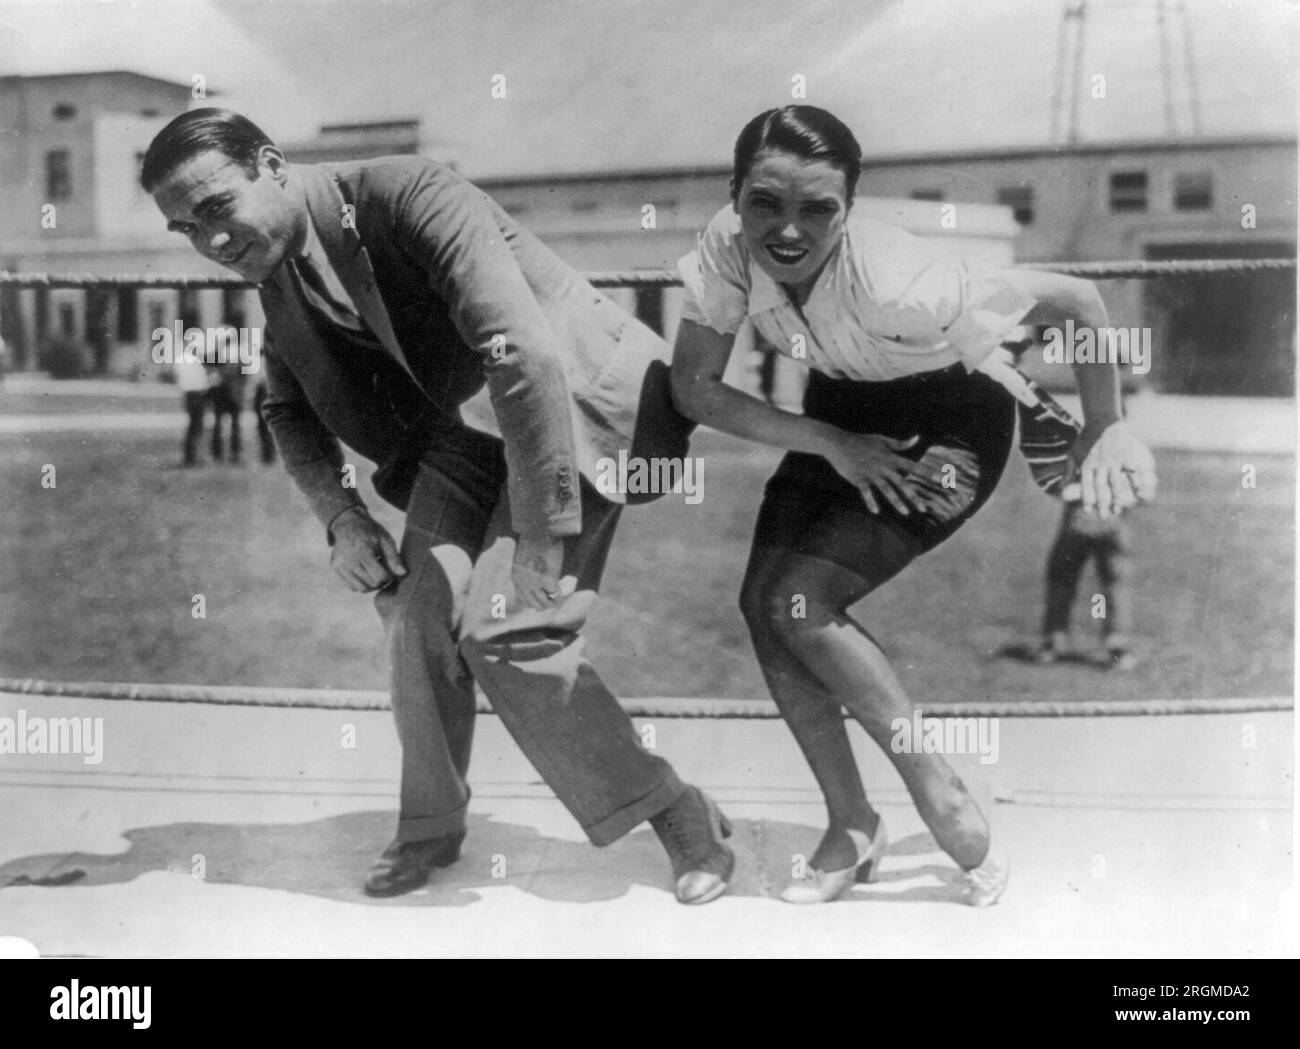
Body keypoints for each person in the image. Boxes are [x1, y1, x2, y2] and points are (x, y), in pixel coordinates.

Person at [142, 108, 732, 903]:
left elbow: (520, 353)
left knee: (505, 627)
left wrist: (540, 531)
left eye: (216, 208)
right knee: (416, 614)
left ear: (272, 165)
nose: (210, 242)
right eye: (185, 228)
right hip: (465, 429)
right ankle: (430, 828)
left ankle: (674, 807)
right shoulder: (275, 273)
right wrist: (344, 519)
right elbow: (285, 409)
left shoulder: (407, 191)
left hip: (577, 405)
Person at [670, 106, 1156, 905]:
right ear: (735, 194)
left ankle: (939, 789)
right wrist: (830, 440)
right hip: (839, 415)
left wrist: (1103, 423)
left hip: (948, 420)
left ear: (849, 209)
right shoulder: (725, 251)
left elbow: (1077, 298)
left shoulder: (905, 280)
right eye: (766, 202)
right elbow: (694, 386)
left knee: (803, 603)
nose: (787, 231)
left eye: (818, 209)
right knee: (762, 604)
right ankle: (852, 821)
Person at [174, 353, 210, 468]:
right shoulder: (188, 359)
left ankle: (192, 456)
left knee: (195, 428)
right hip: (195, 394)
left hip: (193, 394)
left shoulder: (186, 359)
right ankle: (190, 457)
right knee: (195, 428)